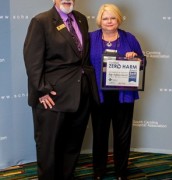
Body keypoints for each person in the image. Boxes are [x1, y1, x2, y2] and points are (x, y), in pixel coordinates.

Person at [23, 0, 98, 179]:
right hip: (53, 96)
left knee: (72, 144)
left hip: (80, 93)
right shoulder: (41, 21)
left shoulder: (80, 19)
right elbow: (32, 60)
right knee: (49, 147)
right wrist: (42, 90)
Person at [89, 4, 145, 180]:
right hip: (99, 95)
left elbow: (142, 62)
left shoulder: (130, 38)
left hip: (123, 96)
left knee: (122, 137)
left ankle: (121, 172)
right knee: (100, 136)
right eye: (105, 18)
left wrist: (135, 58)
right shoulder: (91, 38)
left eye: (113, 18)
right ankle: (99, 171)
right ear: (100, 20)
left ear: (119, 19)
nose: (109, 21)